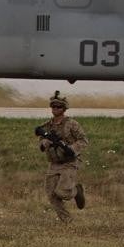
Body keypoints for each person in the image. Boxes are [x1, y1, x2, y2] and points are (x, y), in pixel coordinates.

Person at [36, 91, 89, 222]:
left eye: (58, 107)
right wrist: (44, 143)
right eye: (53, 106)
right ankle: (67, 221)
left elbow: (83, 140)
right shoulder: (47, 125)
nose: (55, 109)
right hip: (53, 163)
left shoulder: (72, 124)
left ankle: (77, 191)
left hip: (69, 162)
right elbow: (40, 141)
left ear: (64, 109)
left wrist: (71, 149)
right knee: (51, 195)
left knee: (62, 192)